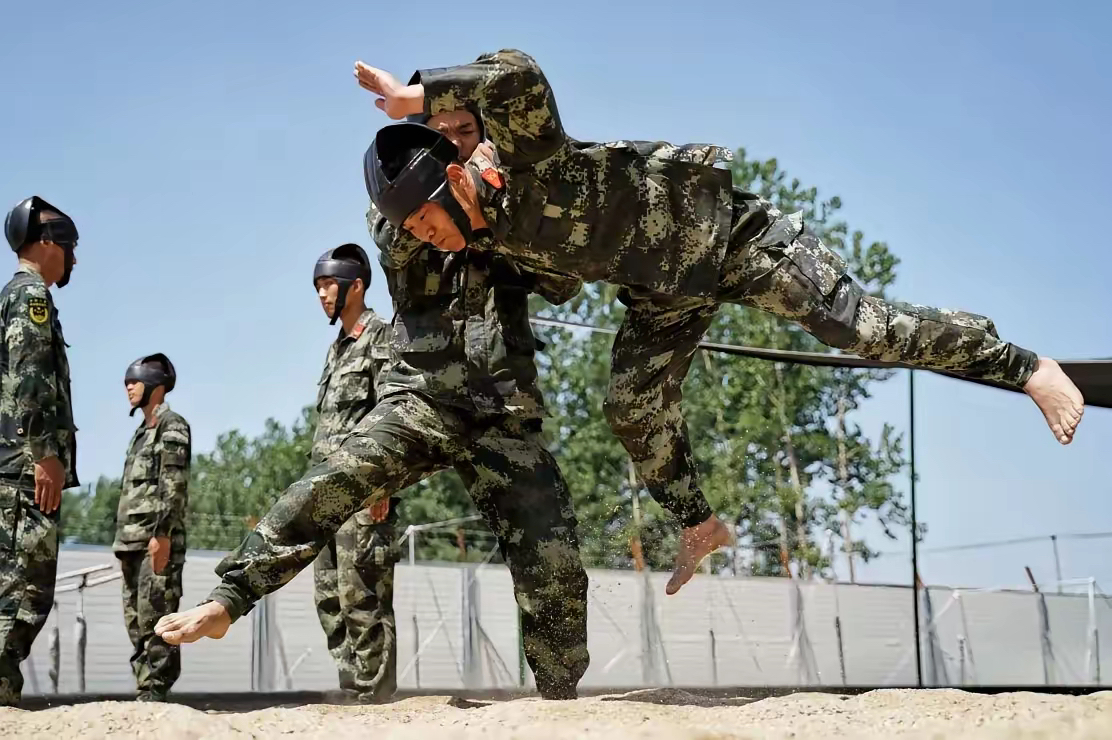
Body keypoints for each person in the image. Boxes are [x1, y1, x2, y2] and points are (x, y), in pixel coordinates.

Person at [356, 49, 1086, 593]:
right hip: (663, 292)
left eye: (460, 126)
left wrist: (414, 95)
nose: (454, 139)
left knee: (861, 330)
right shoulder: (482, 231)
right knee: (632, 406)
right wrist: (392, 462)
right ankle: (700, 524)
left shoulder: (530, 156)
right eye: (442, 134)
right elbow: (477, 317)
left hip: (727, 238)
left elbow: (516, 73)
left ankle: (1027, 366)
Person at [156, 115, 592, 698]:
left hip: (503, 412)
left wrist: (502, 210)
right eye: (441, 130)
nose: (423, 228)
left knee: (552, 557)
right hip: (424, 399)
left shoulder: (507, 207)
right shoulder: (398, 215)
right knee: (331, 481)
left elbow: (565, 283)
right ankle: (228, 598)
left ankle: (560, 698)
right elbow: (393, 233)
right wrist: (464, 198)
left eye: (464, 128)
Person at [308, 243, 398, 704]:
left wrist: (381, 483)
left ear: (356, 286)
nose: (322, 294)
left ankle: (374, 696)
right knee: (328, 597)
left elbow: (391, 411)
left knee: (362, 595)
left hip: (363, 492)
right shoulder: (336, 349)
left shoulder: (380, 335)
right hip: (324, 493)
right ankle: (352, 690)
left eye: (329, 285)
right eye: (318, 287)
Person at [0, 196, 79, 706]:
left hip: (14, 466)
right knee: (24, 590)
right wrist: (45, 454)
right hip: (24, 470)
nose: (74, 259)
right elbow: (30, 378)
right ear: (48, 242)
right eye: (70, 247)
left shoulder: (15, 295)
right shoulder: (31, 295)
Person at [113, 353, 191, 702]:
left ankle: (155, 691)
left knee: (156, 618)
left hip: (154, 541)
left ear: (156, 387)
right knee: (135, 621)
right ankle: (144, 689)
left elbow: (173, 485)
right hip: (130, 542)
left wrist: (162, 535)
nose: (129, 388)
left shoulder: (171, 426)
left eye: (135, 381)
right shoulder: (139, 434)